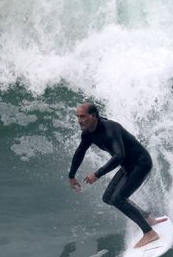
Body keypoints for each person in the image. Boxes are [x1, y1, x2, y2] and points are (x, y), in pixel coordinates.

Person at [68, 102, 166, 249]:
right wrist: (71, 175)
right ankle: (148, 218)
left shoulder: (110, 128)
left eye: (82, 116)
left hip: (141, 163)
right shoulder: (88, 133)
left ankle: (149, 233)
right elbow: (80, 152)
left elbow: (119, 155)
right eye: (78, 117)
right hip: (127, 166)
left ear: (94, 116)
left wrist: (97, 174)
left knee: (118, 199)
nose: (79, 120)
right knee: (108, 198)